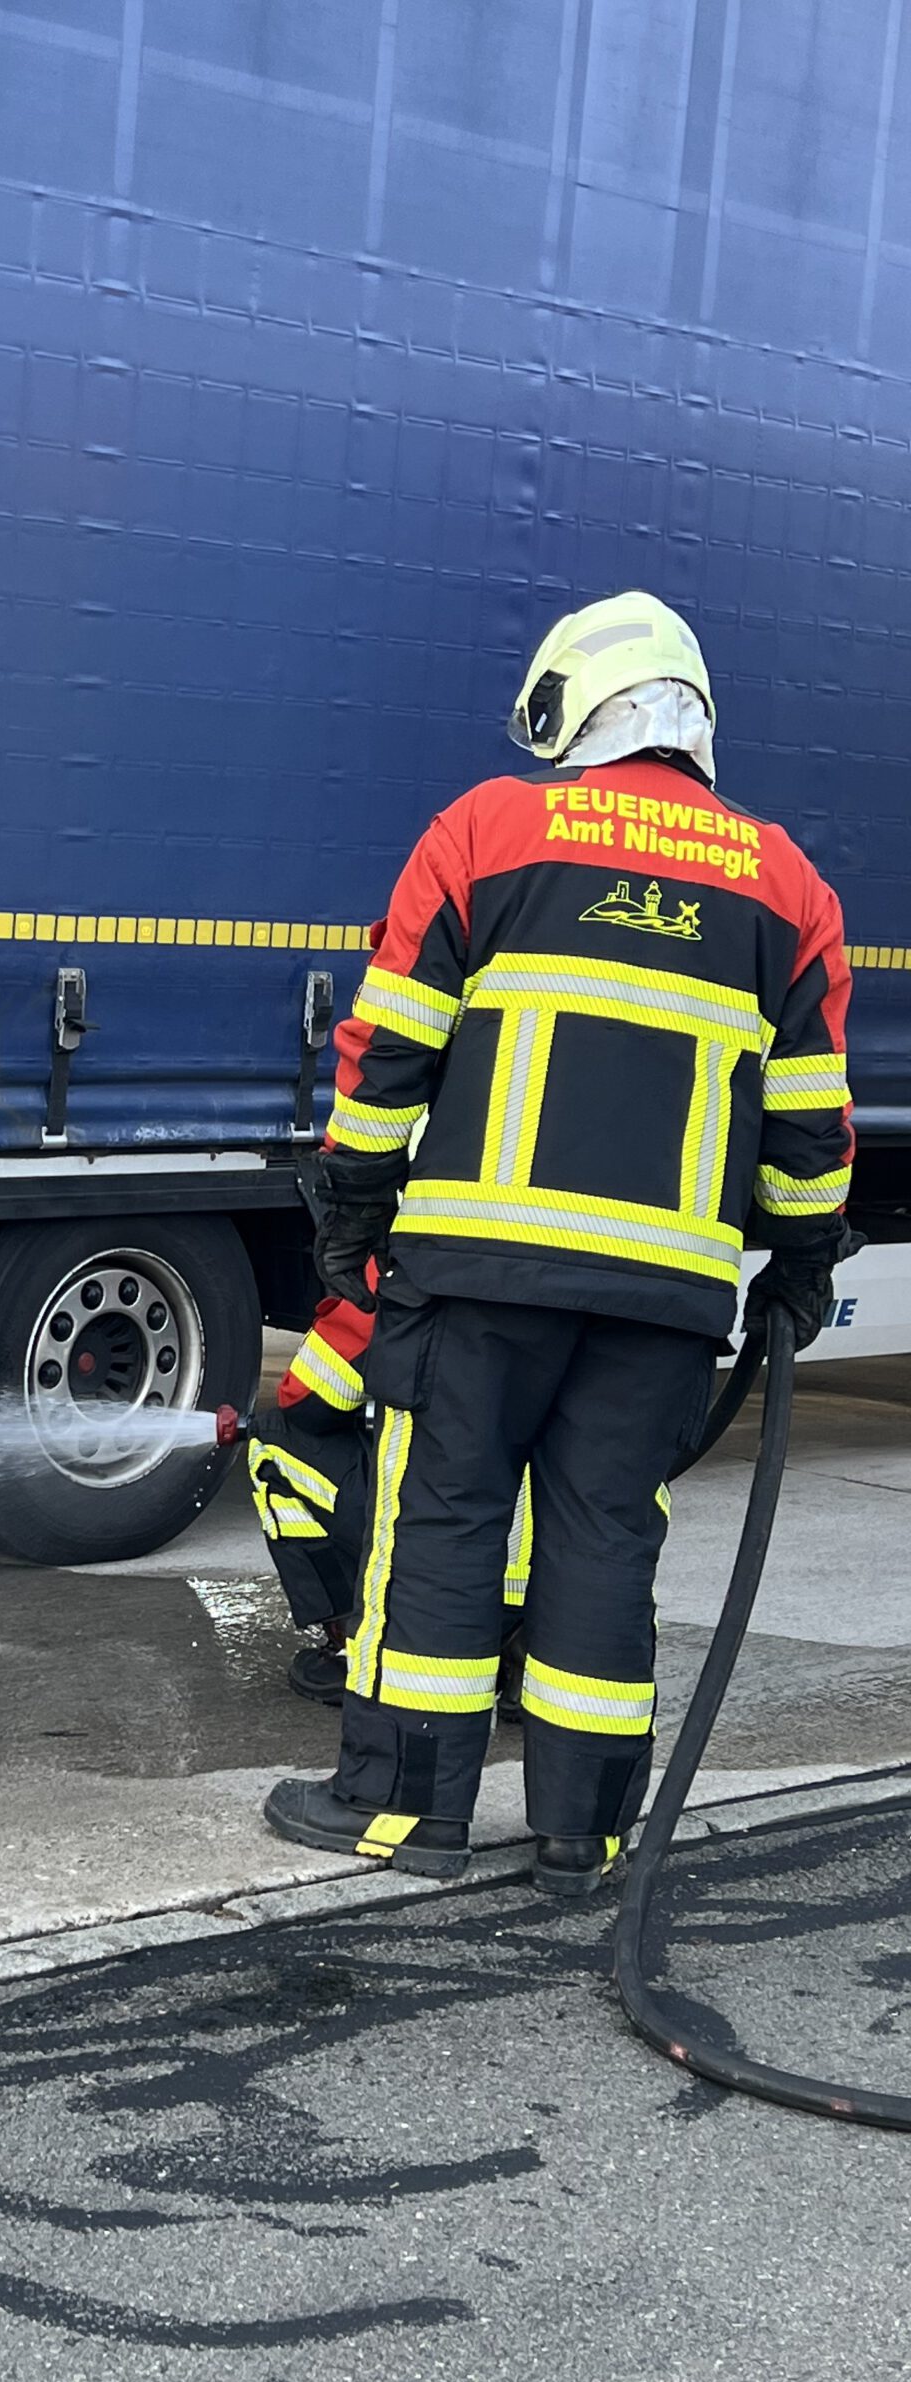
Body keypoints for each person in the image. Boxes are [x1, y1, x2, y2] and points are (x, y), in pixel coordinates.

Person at [264, 593, 853, 1896]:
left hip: (476, 1278)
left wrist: (353, 1208)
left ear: (579, 705)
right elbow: (812, 1119)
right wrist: (802, 1263)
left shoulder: (488, 831)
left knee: (446, 1523)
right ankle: (582, 1837)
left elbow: (389, 1048)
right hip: (665, 1300)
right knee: (604, 1538)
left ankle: (404, 1812)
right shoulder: (786, 885)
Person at [247, 1270, 529, 1714]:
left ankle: (356, 1644)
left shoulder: (420, 1254)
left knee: (271, 1439)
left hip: (449, 1583)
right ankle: (523, 1658)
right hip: (561, 1594)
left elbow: (305, 1398)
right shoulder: (594, 1264)